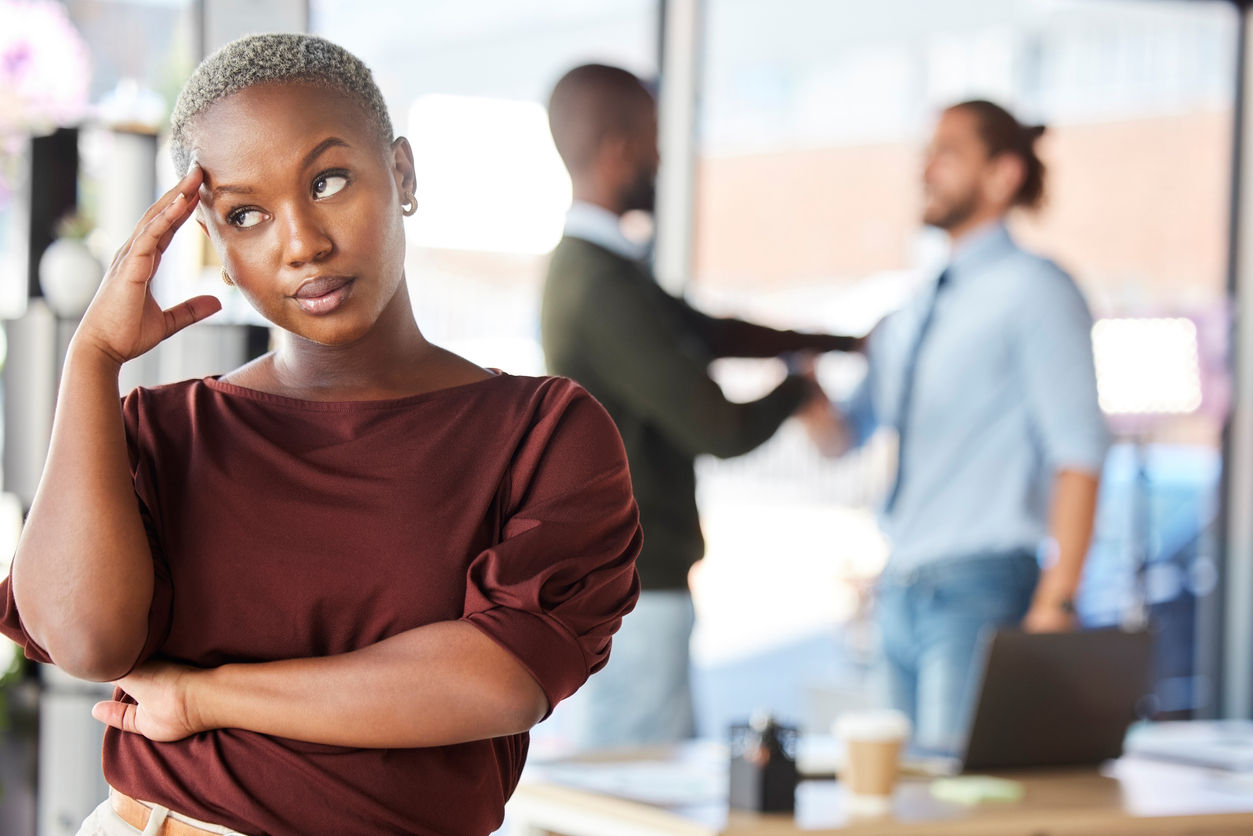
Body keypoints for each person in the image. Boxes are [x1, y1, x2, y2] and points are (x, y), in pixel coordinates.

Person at [0, 34, 641, 836]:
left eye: (328, 181)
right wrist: (91, 361)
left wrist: (203, 697)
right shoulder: (162, 433)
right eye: (246, 214)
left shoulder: (542, 432)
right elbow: (86, 642)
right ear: (219, 250)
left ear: (402, 175)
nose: (301, 241)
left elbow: (498, 680)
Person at [541, 64, 862, 748]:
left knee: (641, 780)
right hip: (635, 589)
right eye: (654, 140)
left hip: (634, 585)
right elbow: (718, 427)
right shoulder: (599, 286)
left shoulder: (604, 271)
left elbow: (708, 332)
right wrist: (799, 389)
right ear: (619, 148)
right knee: (635, 798)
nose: (661, 158)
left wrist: (841, 340)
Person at [816, 100, 1110, 754]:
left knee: (961, 809)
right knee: (901, 808)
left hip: (981, 589)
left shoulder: (1033, 289)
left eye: (948, 152)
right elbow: (844, 436)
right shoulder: (913, 307)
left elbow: (1080, 452)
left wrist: (1056, 603)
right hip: (899, 591)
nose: (926, 167)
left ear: (1002, 175)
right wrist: (794, 388)